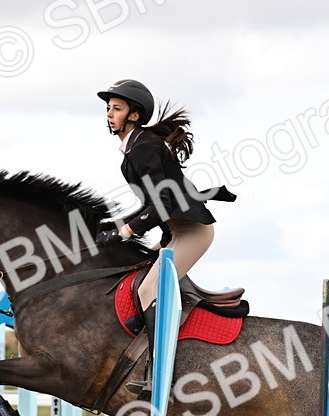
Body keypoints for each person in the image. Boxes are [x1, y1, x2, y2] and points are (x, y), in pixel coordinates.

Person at [96, 79, 235, 398]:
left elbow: (163, 203)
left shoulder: (143, 147)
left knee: (148, 290)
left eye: (116, 109)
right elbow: (158, 202)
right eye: (108, 109)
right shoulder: (134, 149)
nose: (109, 114)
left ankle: (162, 375)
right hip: (178, 231)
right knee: (137, 278)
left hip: (194, 233)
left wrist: (126, 231)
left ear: (134, 115)